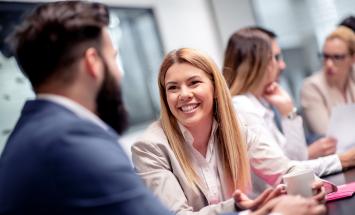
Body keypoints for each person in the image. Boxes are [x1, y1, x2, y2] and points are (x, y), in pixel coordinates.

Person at [0, 1, 174, 214]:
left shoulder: (32, 133)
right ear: (93, 62)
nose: (119, 74)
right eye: (114, 57)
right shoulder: (71, 143)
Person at [132, 48, 325, 215]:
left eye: (194, 83)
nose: (183, 94)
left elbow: (286, 168)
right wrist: (236, 206)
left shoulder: (235, 128)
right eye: (173, 88)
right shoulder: (150, 147)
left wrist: (310, 182)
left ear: (215, 88)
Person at [223, 27, 355, 179]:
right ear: (257, 63)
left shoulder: (260, 104)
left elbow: (296, 160)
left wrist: (288, 112)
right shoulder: (242, 107)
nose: (282, 65)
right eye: (276, 57)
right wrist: (344, 160)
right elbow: (285, 172)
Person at [301, 26, 355, 136]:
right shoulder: (311, 87)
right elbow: (328, 135)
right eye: (325, 57)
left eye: (337, 57)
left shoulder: (352, 77)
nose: (329, 64)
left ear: (353, 58)